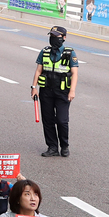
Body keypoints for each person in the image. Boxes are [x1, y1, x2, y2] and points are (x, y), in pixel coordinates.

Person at [33, 25, 78, 157]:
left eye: (56, 37)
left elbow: (74, 73)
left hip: (63, 92)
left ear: (64, 38)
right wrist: (33, 87)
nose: (53, 39)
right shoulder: (45, 52)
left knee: (62, 120)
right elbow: (38, 70)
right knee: (47, 120)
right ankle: (52, 146)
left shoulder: (69, 53)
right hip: (46, 91)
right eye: (51, 36)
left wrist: (72, 91)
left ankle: (64, 145)